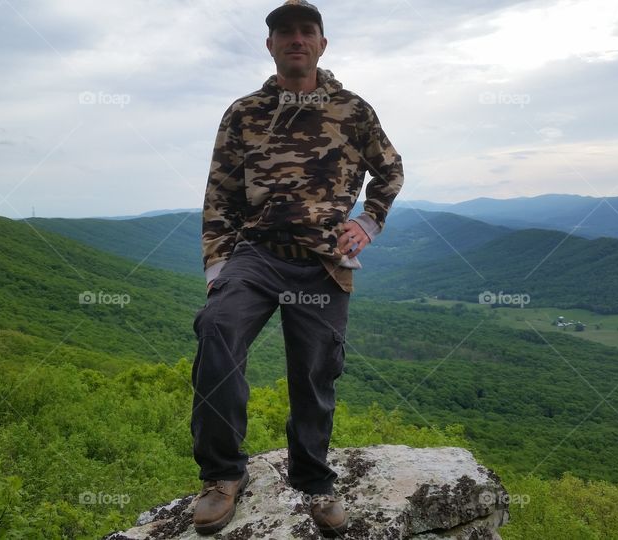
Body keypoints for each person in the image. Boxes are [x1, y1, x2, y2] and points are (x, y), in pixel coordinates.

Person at [190, 0, 404, 535]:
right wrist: (219, 267)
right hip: (257, 255)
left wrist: (369, 222)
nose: (296, 39)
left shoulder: (353, 110)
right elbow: (220, 192)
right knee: (217, 330)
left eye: (307, 31)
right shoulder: (244, 113)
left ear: (322, 44)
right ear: (271, 45)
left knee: (314, 373)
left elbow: (390, 170)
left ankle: (313, 481)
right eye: (285, 32)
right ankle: (221, 477)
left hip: (324, 261)